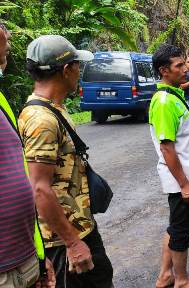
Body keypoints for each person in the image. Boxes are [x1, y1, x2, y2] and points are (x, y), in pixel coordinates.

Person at [19, 35, 113, 288]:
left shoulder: (52, 109)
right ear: (66, 69)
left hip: (79, 227)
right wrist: (72, 243)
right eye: (77, 65)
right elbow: (39, 188)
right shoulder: (42, 120)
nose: (78, 71)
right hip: (64, 240)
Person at [0, 22, 55, 288]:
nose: (4, 63)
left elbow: (21, 179)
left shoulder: (1, 101)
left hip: (25, 260)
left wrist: (40, 257)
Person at [149, 44, 189, 288]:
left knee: (175, 227)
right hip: (179, 179)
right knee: (182, 230)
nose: (185, 69)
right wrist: (184, 184)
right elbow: (167, 147)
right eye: (179, 65)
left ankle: (165, 276)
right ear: (164, 70)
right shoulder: (164, 101)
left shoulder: (173, 95)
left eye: (185, 64)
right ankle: (181, 280)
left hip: (184, 177)